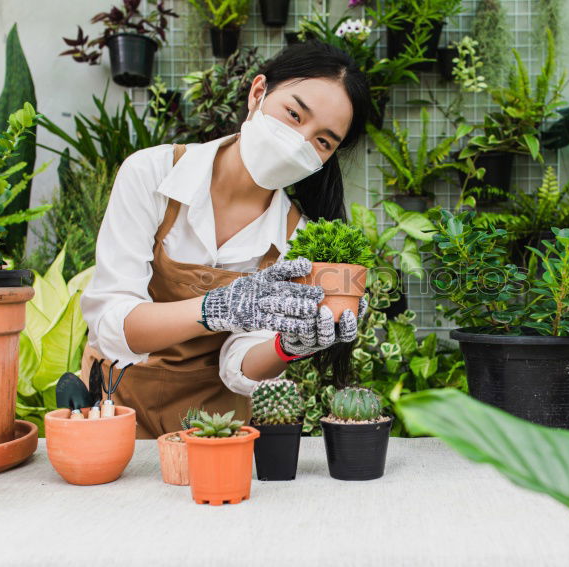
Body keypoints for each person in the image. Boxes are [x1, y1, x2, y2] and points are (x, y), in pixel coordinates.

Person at [80, 41, 371, 438]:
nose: (299, 141)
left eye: (323, 141)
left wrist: (286, 346)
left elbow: (240, 368)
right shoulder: (152, 175)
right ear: (257, 94)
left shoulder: (295, 236)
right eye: (293, 114)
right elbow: (112, 325)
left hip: (216, 431)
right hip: (113, 412)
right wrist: (217, 308)